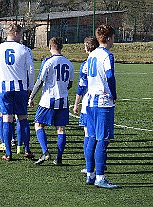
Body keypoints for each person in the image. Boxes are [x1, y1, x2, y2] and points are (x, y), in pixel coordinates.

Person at [0, 24, 35, 161]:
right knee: (22, 118)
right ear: (16, 33)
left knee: (7, 119)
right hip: (20, 89)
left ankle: (8, 153)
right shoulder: (24, 49)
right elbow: (31, 70)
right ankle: (26, 149)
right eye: (21, 34)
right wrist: (30, 88)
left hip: (4, 89)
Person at [28, 37, 74, 165]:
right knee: (61, 129)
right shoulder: (69, 63)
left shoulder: (48, 62)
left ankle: (45, 152)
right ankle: (59, 158)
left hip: (48, 99)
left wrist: (31, 97)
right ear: (61, 47)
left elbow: (40, 81)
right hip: (63, 100)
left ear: (50, 46)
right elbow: (70, 84)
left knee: (38, 124)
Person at [84, 25, 120, 189]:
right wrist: (114, 93)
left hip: (90, 101)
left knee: (91, 137)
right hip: (102, 101)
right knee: (102, 140)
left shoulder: (92, 55)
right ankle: (100, 177)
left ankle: (90, 174)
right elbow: (110, 76)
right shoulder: (107, 55)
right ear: (109, 38)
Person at [73, 37, 99, 172]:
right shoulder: (101, 60)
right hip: (101, 103)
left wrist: (76, 104)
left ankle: (89, 166)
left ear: (86, 48)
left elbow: (81, 87)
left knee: (88, 134)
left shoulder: (85, 64)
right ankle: (99, 163)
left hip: (88, 103)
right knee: (99, 136)